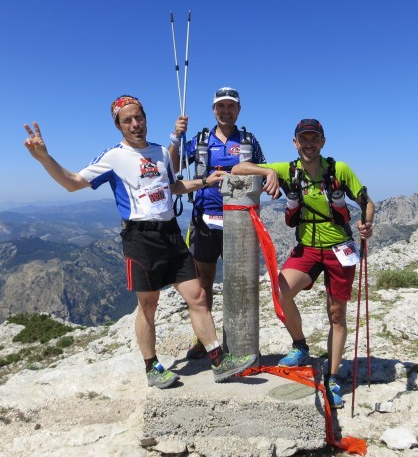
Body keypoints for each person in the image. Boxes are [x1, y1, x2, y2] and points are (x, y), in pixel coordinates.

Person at [22, 95, 256, 388]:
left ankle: (219, 361)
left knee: (197, 296)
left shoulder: (160, 152)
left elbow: (172, 186)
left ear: (145, 118)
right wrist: (44, 158)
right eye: (127, 120)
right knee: (148, 305)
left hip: (170, 233)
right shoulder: (113, 156)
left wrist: (205, 181)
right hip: (140, 237)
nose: (135, 124)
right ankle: (152, 367)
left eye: (139, 117)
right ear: (118, 126)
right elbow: (72, 182)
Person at [231, 119, 374, 409]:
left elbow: (366, 203)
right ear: (295, 143)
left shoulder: (339, 169)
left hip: (339, 247)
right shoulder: (289, 170)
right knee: (282, 291)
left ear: (322, 142)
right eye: (304, 139)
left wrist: (367, 224)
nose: (309, 144)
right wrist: (268, 171)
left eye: (314, 139)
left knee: (336, 314)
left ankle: (332, 377)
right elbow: (237, 169)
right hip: (307, 248)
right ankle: (300, 346)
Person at [169, 87, 267, 360]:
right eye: (221, 106)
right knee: (204, 283)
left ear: (238, 110)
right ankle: (205, 340)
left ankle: (242, 341)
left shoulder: (248, 140)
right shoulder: (201, 140)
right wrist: (176, 137)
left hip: (241, 219)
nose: (226, 111)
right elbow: (173, 167)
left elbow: (263, 169)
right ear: (214, 110)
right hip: (205, 219)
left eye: (231, 106)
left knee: (241, 281)